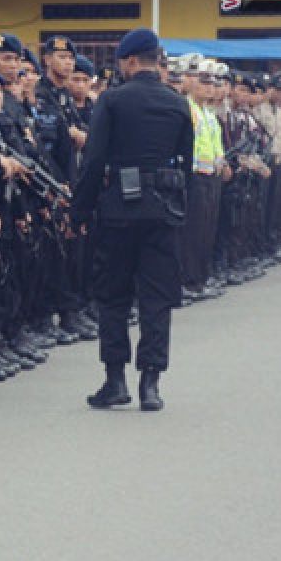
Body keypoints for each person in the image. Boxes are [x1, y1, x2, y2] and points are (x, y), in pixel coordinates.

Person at [71, 28, 193, 413]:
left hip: (119, 211)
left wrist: (81, 210)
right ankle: (151, 384)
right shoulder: (177, 103)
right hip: (163, 211)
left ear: (129, 61)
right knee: (157, 299)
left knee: (114, 296)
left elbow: (93, 162)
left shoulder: (112, 100)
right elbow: (185, 163)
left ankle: (115, 380)